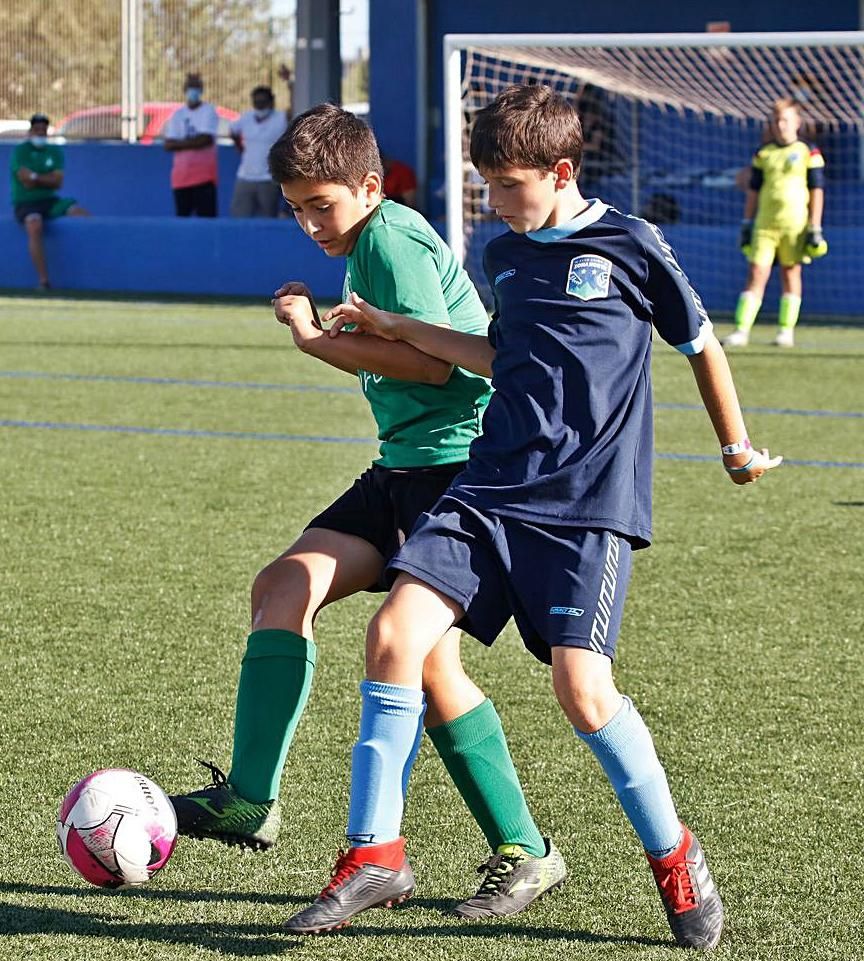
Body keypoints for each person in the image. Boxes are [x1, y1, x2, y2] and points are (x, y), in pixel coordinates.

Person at [285, 84, 783, 948]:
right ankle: (375, 854)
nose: (496, 205)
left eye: (508, 188)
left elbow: (700, 344)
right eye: (485, 189)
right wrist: (397, 324)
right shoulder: (508, 259)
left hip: (585, 508)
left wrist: (735, 447)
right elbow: (496, 355)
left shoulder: (631, 244)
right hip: (489, 489)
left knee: (582, 692)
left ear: (559, 171)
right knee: (395, 636)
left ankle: (674, 856)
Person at [169, 102, 566, 921]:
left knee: (427, 663)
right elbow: (399, 354)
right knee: (283, 587)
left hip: (458, 475)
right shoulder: (368, 242)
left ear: (369, 187)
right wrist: (328, 330)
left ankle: (527, 848)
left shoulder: (389, 237)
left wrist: (314, 339)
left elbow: (431, 367)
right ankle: (249, 799)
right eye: (296, 208)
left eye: (323, 204)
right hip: (399, 473)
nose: (311, 222)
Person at [723, 99, 827, 349]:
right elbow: (754, 191)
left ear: (797, 122)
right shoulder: (763, 153)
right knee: (756, 273)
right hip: (764, 225)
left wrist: (815, 226)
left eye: (786, 120)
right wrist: (747, 223)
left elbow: (817, 190)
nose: (781, 125)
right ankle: (741, 331)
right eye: (777, 121)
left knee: (791, 273)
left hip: (796, 225)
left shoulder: (808, 152)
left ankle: (785, 331)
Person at [10, 113, 89, 290]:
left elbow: (57, 182)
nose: (40, 134)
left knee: (80, 214)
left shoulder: (54, 152)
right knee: (34, 224)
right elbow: (25, 180)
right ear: (30, 131)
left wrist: (35, 176)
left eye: (43, 131)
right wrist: (45, 178)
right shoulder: (20, 151)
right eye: (37, 130)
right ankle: (44, 280)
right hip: (26, 203)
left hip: (49, 201)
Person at [164, 73, 219, 217]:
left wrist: (180, 143)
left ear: (201, 90)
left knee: (206, 222)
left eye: (196, 87)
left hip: (204, 179)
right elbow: (168, 145)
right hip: (180, 179)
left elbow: (205, 140)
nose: (193, 91)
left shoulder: (209, 111)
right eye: (190, 87)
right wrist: (193, 143)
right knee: (182, 221)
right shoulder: (178, 115)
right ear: (184, 89)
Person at [229, 85, 289, 218]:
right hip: (245, 177)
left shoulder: (280, 118)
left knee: (268, 219)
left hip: (269, 179)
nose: (260, 106)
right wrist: (241, 148)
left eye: (263, 102)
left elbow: (294, 108)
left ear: (271, 102)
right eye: (257, 102)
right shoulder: (246, 117)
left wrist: (289, 83)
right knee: (238, 218)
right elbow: (233, 131)